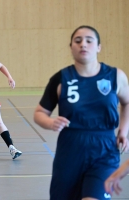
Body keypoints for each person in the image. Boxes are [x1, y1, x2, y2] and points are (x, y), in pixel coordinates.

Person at [33, 25, 129, 200]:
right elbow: (39, 113)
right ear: (71, 47)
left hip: (105, 149)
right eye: (77, 41)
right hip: (70, 149)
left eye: (89, 40)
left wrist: (123, 130)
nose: (83, 44)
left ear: (99, 47)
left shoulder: (115, 76)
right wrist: (50, 122)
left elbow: (127, 102)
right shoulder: (61, 78)